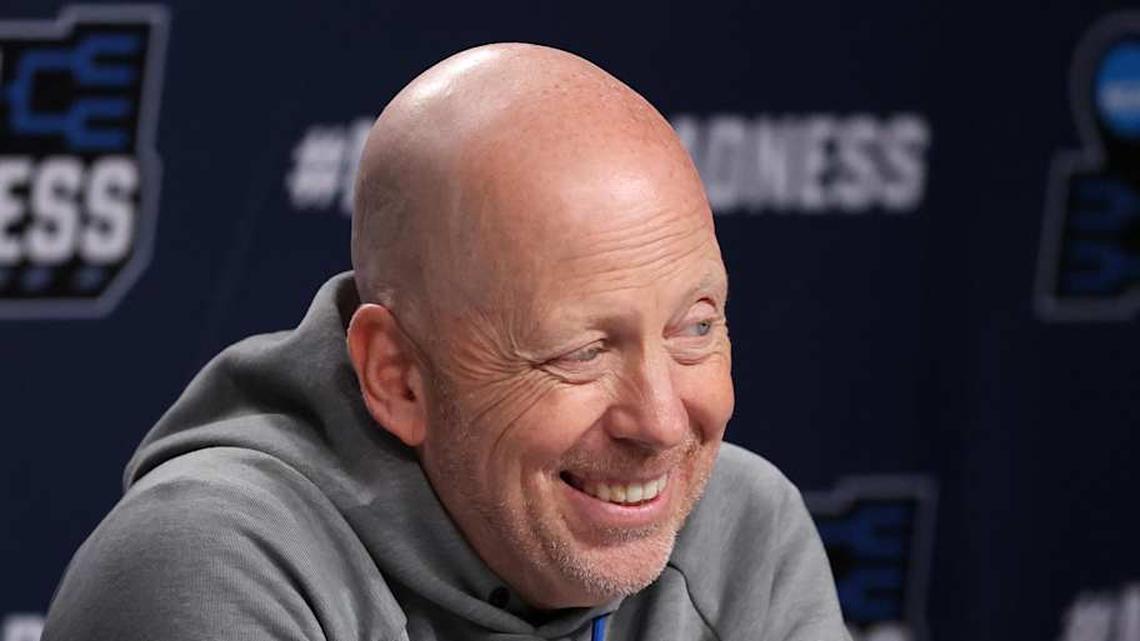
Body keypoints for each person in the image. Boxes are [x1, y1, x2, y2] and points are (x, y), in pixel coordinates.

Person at [42, 43, 848, 641]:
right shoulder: (209, 566)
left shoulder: (742, 532)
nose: (663, 423)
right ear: (398, 377)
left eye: (695, 327)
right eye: (580, 351)